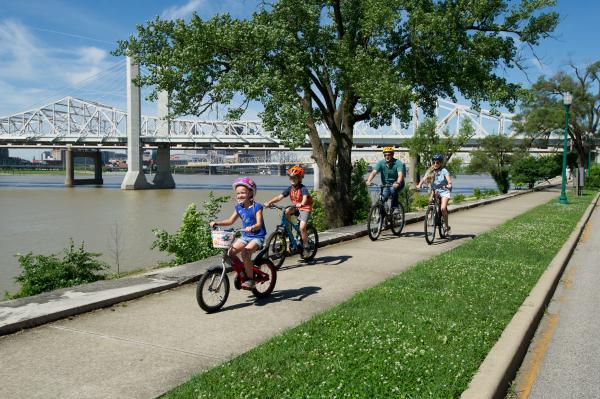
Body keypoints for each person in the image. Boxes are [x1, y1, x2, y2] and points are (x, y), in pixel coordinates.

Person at [209, 177, 266, 289]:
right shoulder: (239, 208)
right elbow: (230, 221)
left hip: (257, 237)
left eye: (243, 193)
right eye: (238, 193)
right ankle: (242, 271)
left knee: (245, 253)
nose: (240, 195)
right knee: (230, 253)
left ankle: (250, 280)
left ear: (250, 193)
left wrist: (252, 227)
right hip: (245, 236)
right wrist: (217, 223)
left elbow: (259, 224)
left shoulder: (257, 207)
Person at [264, 166, 313, 257]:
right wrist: (269, 202)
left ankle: (306, 246)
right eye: (291, 177)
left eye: (295, 177)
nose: (292, 179)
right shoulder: (290, 189)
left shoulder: (303, 188)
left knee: (302, 227)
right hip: (296, 207)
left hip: (305, 208)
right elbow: (280, 197)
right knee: (286, 211)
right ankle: (288, 231)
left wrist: (301, 203)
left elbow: (305, 197)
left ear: (300, 178)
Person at [416, 153, 453, 234]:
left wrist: (449, 184)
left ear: (441, 163)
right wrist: (419, 185)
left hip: (444, 191)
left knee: (443, 208)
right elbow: (423, 179)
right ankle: (431, 212)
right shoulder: (430, 170)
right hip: (435, 190)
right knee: (430, 201)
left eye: (438, 162)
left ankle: (447, 227)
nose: (435, 164)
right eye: (434, 162)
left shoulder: (444, 170)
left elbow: (449, 180)